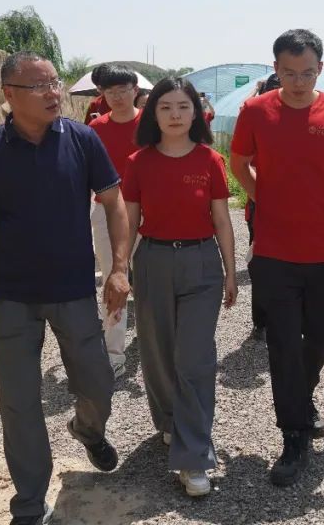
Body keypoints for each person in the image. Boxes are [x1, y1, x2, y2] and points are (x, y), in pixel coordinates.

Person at [0, 52, 131, 525]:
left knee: (97, 382)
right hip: (11, 294)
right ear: (9, 95)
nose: (54, 93)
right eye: (39, 86)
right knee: (19, 402)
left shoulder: (82, 140)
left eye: (55, 82)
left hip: (72, 289)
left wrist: (118, 268)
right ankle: (30, 502)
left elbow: (114, 203)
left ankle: (87, 430)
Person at [230, 28, 324, 486]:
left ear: (320, 69)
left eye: (307, 73)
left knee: (322, 329)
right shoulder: (256, 111)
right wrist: (264, 199)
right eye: (290, 73)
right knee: (282, 343)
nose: (298, 82)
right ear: (276, 69)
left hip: (323, 247)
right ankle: (293, 435)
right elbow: (238, 163)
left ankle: (304, 395)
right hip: (274, 250)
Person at [121, 77, 237, 497]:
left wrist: (230, 271)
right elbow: (129, 221)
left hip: (201, 263)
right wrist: (119, 269)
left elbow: (221, 220)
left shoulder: (211, 160)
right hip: (152, 261)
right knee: (157, 352)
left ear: (196, 112)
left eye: (183, 107)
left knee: (195, 358)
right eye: (165, 107)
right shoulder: (139, 162)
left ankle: (194, 456)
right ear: (153, 113)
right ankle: (171, 420)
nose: (174, 115)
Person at [88, 65, 142, 378]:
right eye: (110, 92)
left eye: (123, 90)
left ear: (136, 90)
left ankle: (154, 341)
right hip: (106, 211)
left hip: (148, 212)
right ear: (102, 94)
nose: (117, 97)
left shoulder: (152, 124)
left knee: (149, 278)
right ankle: (113, 353)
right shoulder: (95, 129)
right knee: (113, 277)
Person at [243, 72, 281, 342]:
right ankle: (261, 320)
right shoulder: (256, 118)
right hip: (260, 203)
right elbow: (241, 164)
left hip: (298, 205)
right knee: (261, 263)